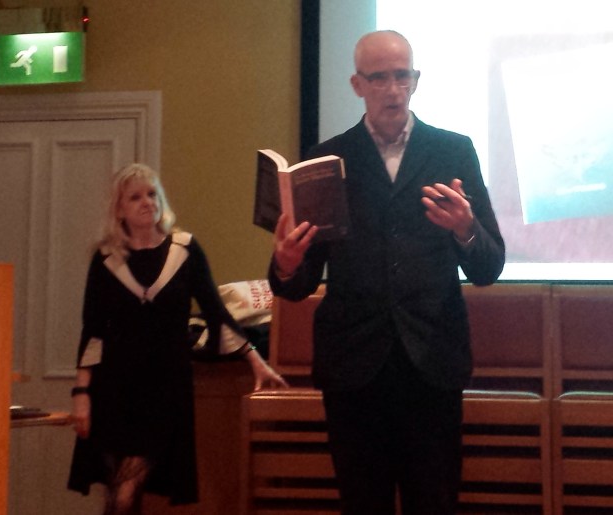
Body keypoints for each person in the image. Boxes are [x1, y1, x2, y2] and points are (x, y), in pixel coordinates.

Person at [268, 30, 505, 515]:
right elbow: (300, 281)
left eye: (402, 76)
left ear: (416, 80)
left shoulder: (453, 151)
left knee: (434, 502)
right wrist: (285, 266)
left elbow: (488, 266)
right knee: (362, 503)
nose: (393, 90)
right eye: (379, 78)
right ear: (357, 85)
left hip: (432, 361)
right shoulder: (326, 159)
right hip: (352, 366)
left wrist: (465, 229)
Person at [68, 163, 288, 515]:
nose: (147, 202)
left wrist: (255, 359)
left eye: (152, 194)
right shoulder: (106, 258)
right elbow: (92, 330)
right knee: (118, 494)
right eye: (135, 197)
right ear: (119, 209)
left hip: (164, 389)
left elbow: (217, 313)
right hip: (113, 390)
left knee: (125, 492)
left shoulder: (184, 249)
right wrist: (81, 395)